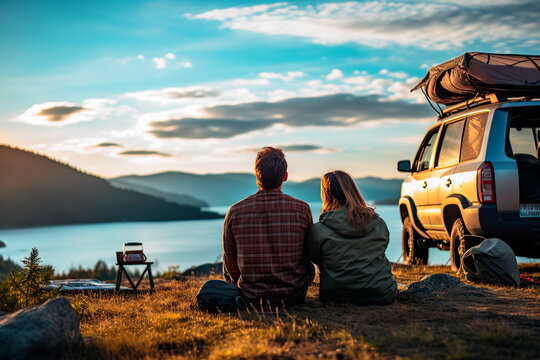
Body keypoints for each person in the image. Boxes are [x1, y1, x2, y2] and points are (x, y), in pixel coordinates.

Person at [223, 147, 314, 305]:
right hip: (294, 294)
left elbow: (231, 263)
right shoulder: (302, 209)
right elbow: (309, 254)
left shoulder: (235, 211)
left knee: (228, 259)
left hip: (251, 295)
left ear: (257, 177)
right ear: (285, 177)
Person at [307, 170, 397, 304]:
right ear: (353, 190)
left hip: (336, 295)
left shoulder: (318, 230)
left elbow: (313, 257)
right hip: (381, 293)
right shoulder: (378, 223)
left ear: (325, 195)